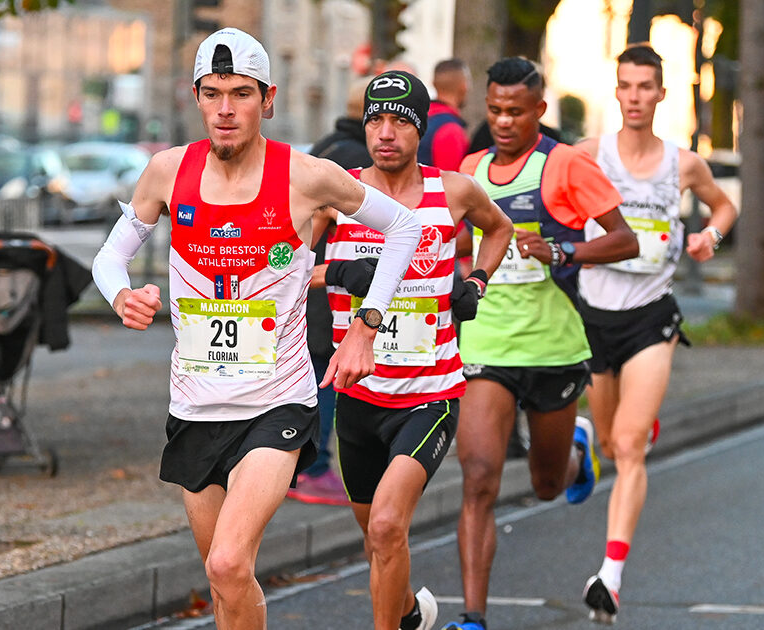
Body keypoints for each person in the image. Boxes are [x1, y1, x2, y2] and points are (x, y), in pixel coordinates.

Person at [90, 28, 422, 630]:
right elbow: (108, 258)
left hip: (276, 404)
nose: (225, 109)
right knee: (227, 586)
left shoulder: (306, 175)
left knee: (225, 563)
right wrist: (120, 295)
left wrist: (365, 326)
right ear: (195, 96)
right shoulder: (167, 172)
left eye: (241, 94)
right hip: (194, 406)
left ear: (267, 99)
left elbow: (404, 227)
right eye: (212, 93)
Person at [309, 69, 513, 630]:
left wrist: (476, 283)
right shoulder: (338, 192)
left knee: (385, 527)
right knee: (378, 539)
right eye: (376, 118)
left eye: (400, 120)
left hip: (430, 393)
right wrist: (339, 271)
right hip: (356, 393)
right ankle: (408, 615)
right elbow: (284, 266)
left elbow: (500, 230)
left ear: (421, 128)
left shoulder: (454, 192)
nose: (385, 132)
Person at [443, 57, 638, 630]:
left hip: (553, 346)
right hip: (486, 342)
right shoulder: (471, 166)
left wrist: (562, 251)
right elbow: (454, 240)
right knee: (478, 476)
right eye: (495, 110)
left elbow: (624, 241)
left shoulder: (566, 166)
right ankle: (473, 617)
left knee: (547, 485)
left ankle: (577, 452)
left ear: (538, 112)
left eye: (516, 112)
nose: (503, 122)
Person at [574, 45, 737, 623]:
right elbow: (548, 199)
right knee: (610, 443)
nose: (636, 96)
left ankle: (610, 577)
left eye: (646, 86)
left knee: (632, 445)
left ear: (661, 94)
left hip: (651, 315)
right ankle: (594, 440)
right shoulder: (588, 155)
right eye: (626, 86)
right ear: (616, 92)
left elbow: (723, 207)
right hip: (595, 316)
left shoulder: (683, 164)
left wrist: (707, 240)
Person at [288, 76, 374, 506]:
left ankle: (296, 468)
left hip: (306, 274)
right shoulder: (359, 161)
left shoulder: (324, 146)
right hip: (328, 282)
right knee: (323, 373)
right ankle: (315, 467)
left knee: (308, 369)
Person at [419, 58, 471, 171]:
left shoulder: (418, 118)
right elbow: (450, 183)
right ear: (464, 86)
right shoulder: (450, 129)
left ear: (433, 84)